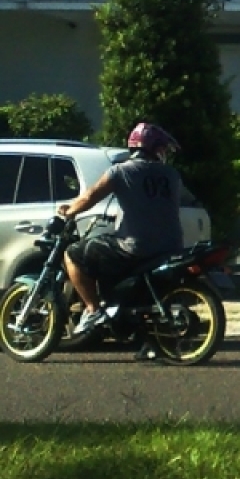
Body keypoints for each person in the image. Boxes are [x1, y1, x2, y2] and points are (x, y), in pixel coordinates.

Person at [58, 122, 185, 336]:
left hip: (136, 247)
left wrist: (69, 211)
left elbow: (90, 196)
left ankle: (93, 309)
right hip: (171, 246)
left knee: (73, 253)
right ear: (154, 149)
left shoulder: (120, 171)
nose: (163, 153)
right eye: (162, 149)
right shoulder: (171, 175)